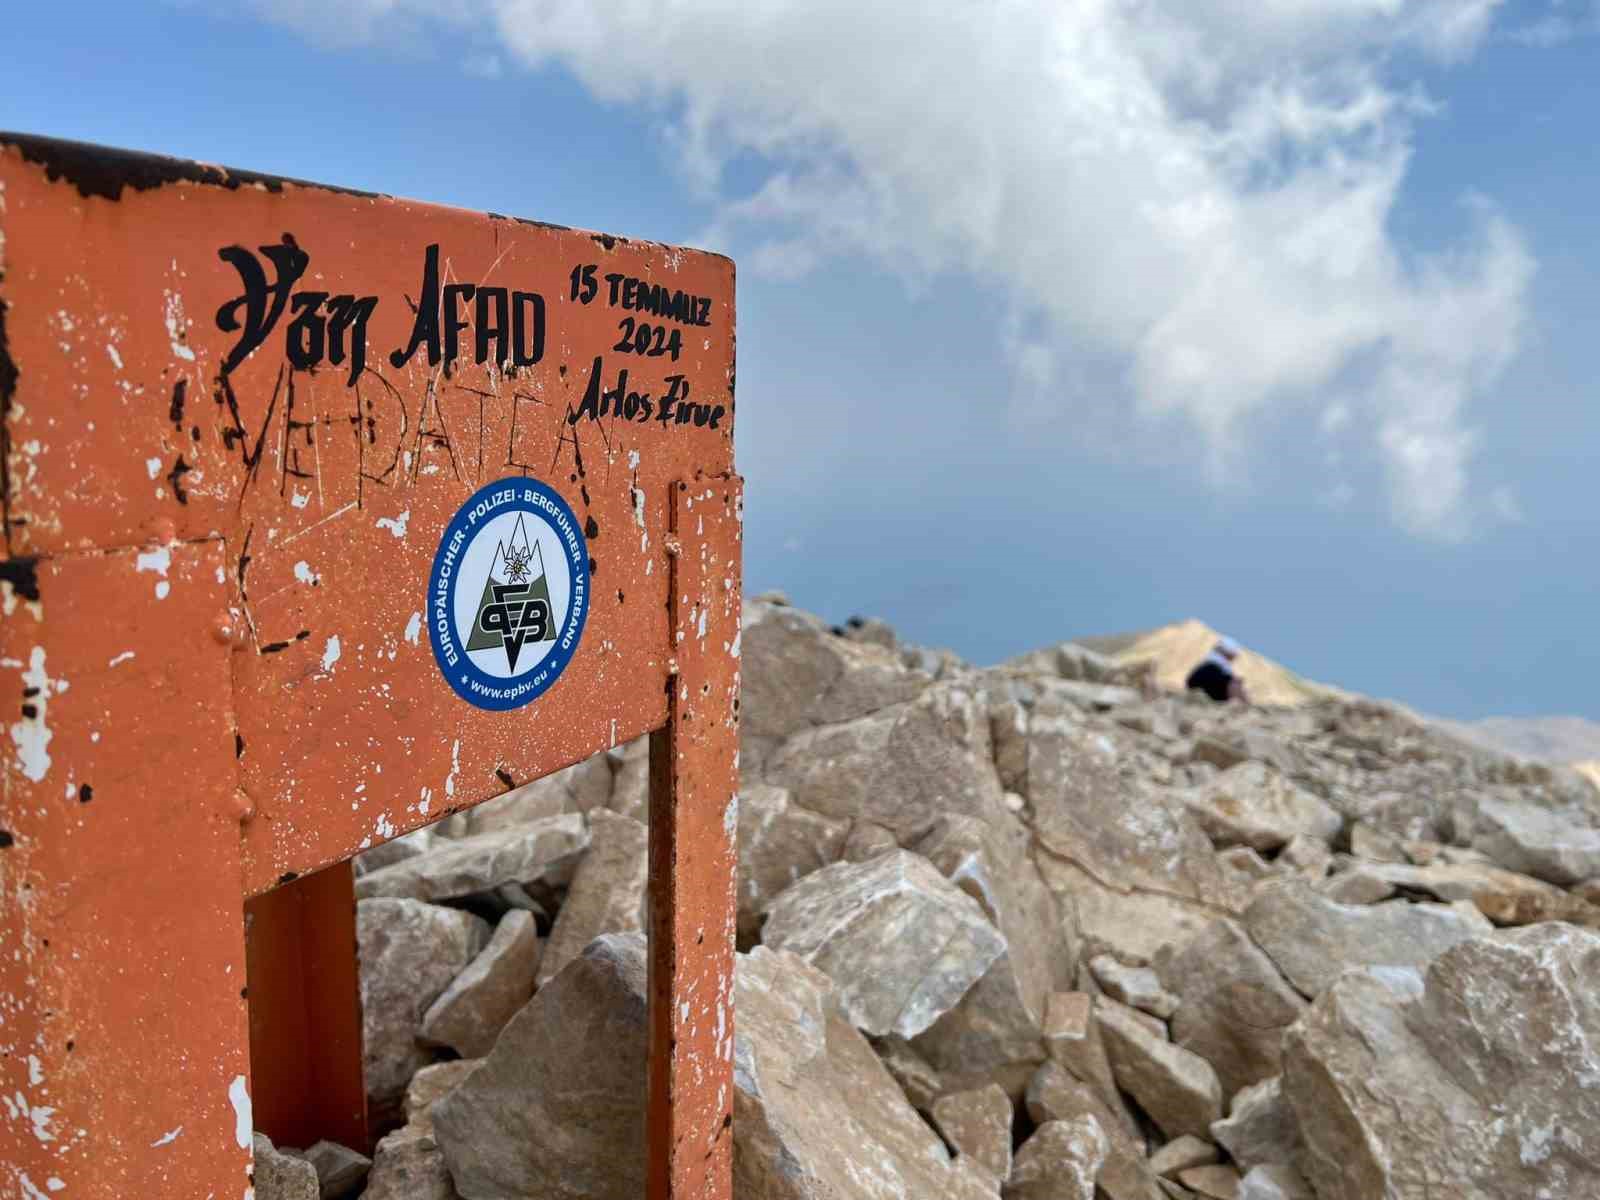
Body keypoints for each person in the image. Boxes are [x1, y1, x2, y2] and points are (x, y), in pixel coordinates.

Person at [1186, 636, 1248, 704]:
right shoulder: (1217, 661)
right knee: (1235, 684)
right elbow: (1228, 678)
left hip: (1199, 685)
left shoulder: (1212, 658)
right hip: (1207, 685)